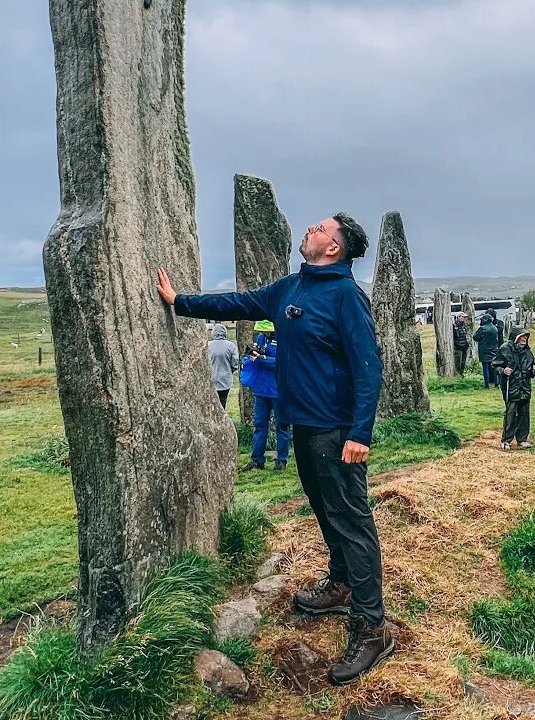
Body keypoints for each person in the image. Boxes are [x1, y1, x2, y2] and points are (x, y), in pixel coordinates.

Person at [156, 212, 392, 685]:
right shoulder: (291, 288)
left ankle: (372, 626)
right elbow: (238, 303)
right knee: (326, 513)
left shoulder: (346, 296)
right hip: (303, 426)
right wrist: (180, 302)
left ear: (335, 248)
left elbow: (369, 367)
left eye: (321, 230)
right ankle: (343, 583)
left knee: (351, 520)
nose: (311, 230)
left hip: (335, 429)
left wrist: (360, 434)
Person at [240, 320, 291, 472]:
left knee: (282, 426)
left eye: (266, 332)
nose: (263, 334)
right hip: (261, 389)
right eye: (262, 332)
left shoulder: (283, 338)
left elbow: (282, 362)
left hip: (278, 389)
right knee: (259, 426)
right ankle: (257, 460)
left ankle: (281, 461)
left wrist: (263, 359)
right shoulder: (261, 338)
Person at [492, 328, 535, 450]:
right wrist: (503, 370)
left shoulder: (528, 352)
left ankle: (522, 439)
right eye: (522, 337)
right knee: (511, 413)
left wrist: (534, 372)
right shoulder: (504, 349)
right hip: (511, 386)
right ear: (515, 338)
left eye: (526, 337)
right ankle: (506, 440)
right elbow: (495, 365)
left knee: (524, 413)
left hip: (525, 387)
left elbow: (530, 370)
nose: (524, 339)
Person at [208, 324, 240, 408]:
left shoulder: (208, 345)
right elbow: (235, 363)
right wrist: (230, 371)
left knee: (211, 404)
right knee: (223, 402)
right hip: (226, 379)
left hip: (211, 379)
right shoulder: (230, 345)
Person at [473, 315, 500, 389]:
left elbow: (475, 337)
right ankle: (496, 383)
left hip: (484, 350)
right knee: (494, 367)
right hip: (494, 349)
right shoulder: (495, 328)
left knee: (485, 367)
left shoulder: (482, 328)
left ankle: (487, 384)